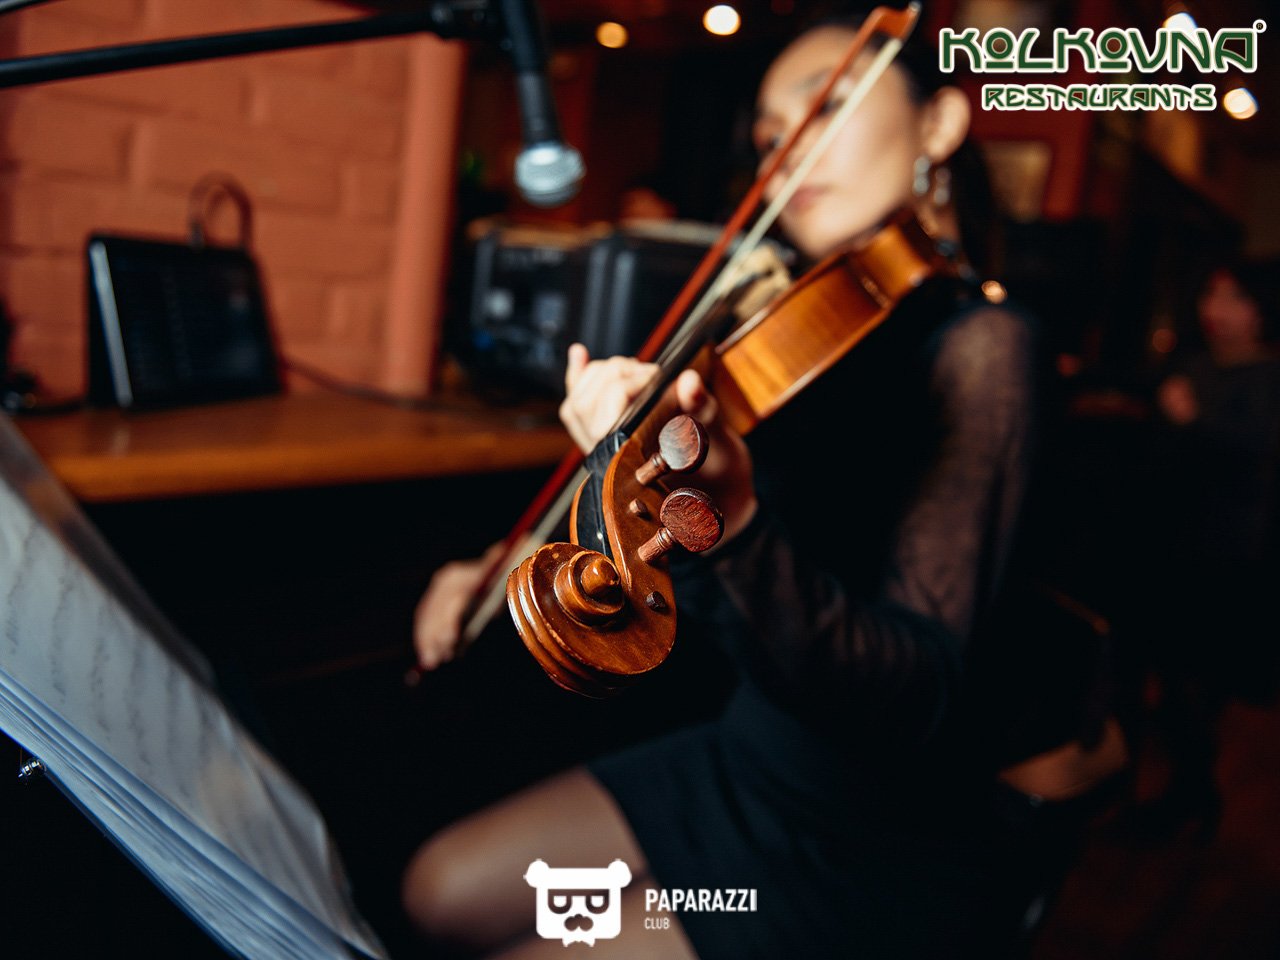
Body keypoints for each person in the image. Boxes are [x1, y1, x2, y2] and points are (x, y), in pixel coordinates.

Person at [402, 9, 1125, 958]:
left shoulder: (987, 347)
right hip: (758, 755)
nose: (787, 151)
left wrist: (731, 524)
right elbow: (693, 561)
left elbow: (916, 691)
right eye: (770, 134)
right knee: (437, 893)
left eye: (825, 109)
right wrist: (505, 565)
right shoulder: (808, 339)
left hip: (873, 838)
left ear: (941, 125)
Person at [1121, 257, 1280, 839]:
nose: (1215, 310)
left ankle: (1189, 795)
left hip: (1224, 556)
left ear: (1262, 311)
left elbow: (1250, 455)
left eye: (1234, 299)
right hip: (1167, 542)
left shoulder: (1267, 379)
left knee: (1195, 680)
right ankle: (1177, 792)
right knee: (1157, 672)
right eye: (1212, 296)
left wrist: (1191, 421)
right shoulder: (1194, 362)